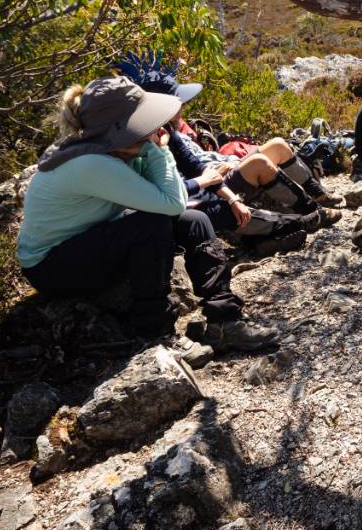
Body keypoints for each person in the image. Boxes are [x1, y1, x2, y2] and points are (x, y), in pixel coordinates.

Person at [16, 77, 274, 349]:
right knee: (152, 224)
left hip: (89, 240)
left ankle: (225, 321)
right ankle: (154, 332)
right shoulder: (91, 163)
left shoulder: (118, 151)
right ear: (120, 129)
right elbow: (171, 202)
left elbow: (170, 199)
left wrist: (150, 149)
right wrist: (158, 150)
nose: (156, 127)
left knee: (194, 220)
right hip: (51, 266)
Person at [136, 70, 339, 256]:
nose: (183, 106)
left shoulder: (168, 131)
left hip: (198, 190)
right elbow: (169, 191)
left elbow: (193, 164)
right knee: (220, 209)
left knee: (232, 199)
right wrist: (205, 181)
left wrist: (231, 197)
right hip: (172, 206)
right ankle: (302, 221)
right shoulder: (142, 142)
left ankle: (284, 226)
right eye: (178, 102)